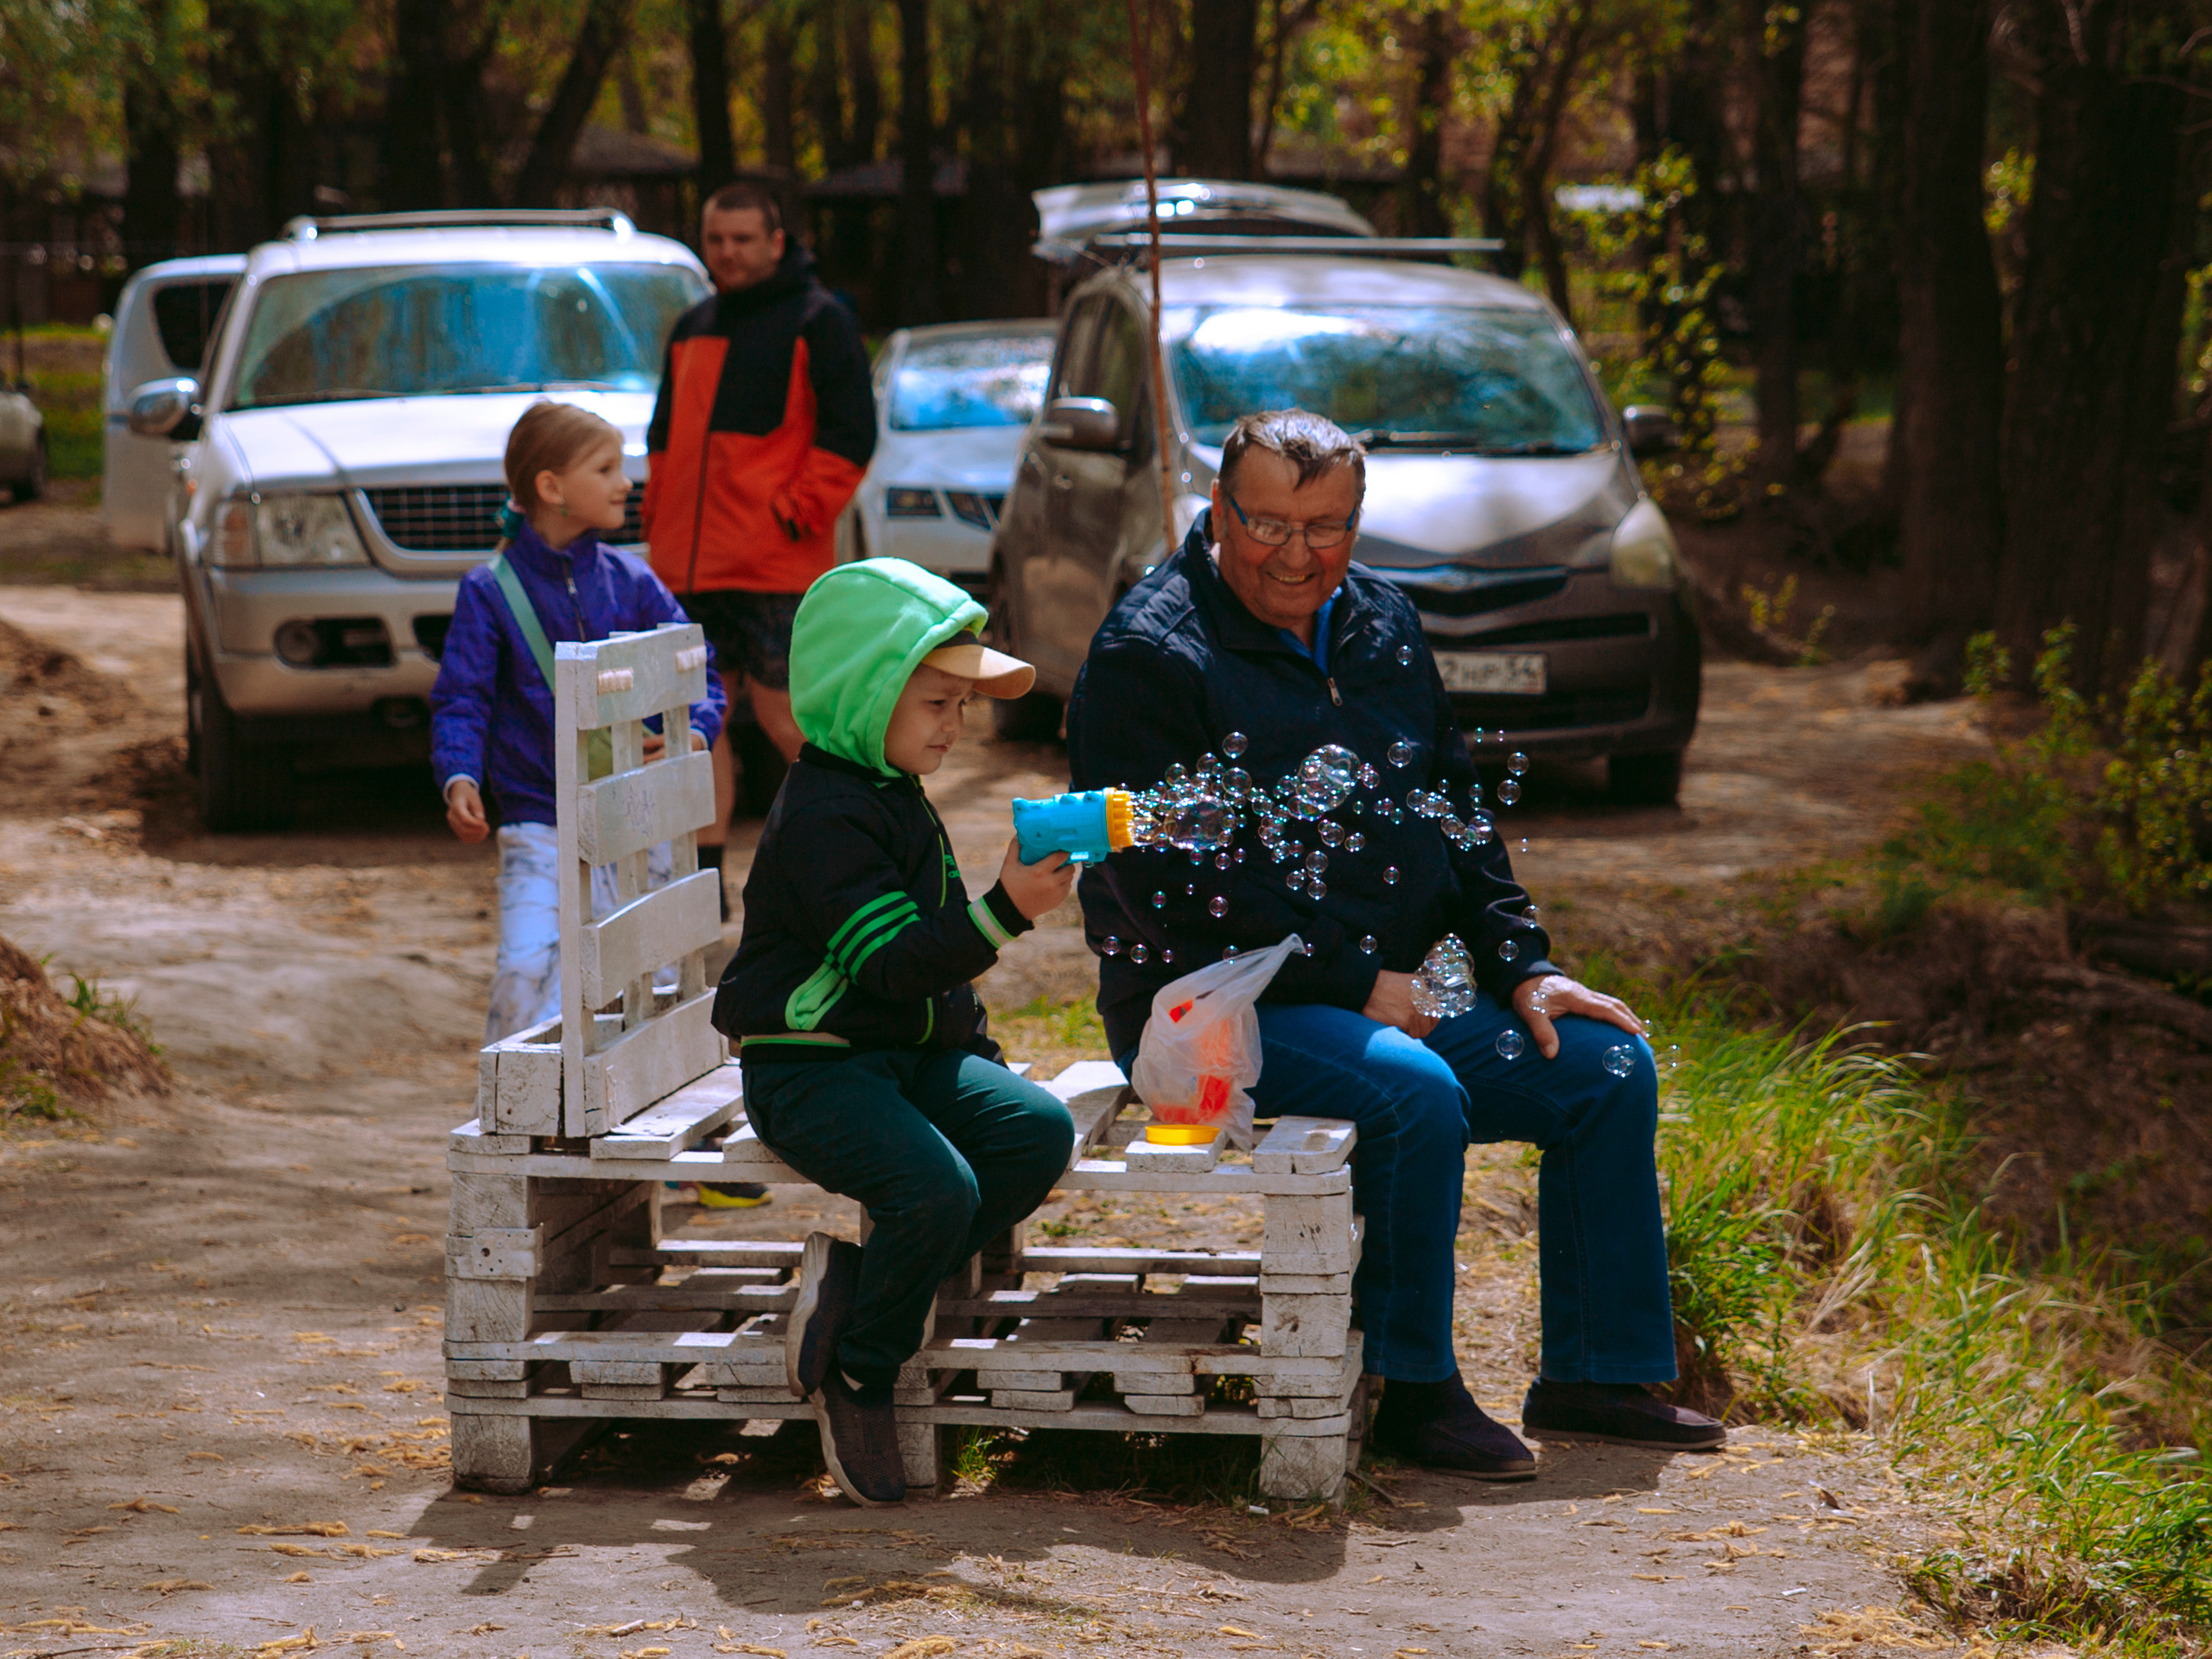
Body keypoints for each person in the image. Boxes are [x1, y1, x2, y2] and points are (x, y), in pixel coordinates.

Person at [1065, 409, 1724, 1480]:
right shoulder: (1148, 650)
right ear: (1219, 509)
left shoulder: (1381, 622)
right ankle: (1410, 1385)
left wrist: (1528, 966)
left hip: (1381, 990)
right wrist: (1349, 978)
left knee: (1605, 1067)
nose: (1295, 553)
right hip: (1203, 1005)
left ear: (1358, 522)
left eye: (1324, 526)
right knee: (1412, 1091)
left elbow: (1456, 813)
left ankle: (1597, 1373)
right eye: (1266, 523)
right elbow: (1165, 884)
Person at [712, 557, 1078, 1506]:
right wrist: (1007, 910)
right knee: (935, 1188)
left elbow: (935, 981)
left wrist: (978, 1059)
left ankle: (858, 1282)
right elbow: (892, 963)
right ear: (859, 694)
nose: (953, 729)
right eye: (933, 704)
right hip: (811, 1071)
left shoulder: (893, 791)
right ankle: (862, 1370)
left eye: (960, 706)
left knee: (1035, 1131)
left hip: (901, 1056)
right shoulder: (826, 817)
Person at [431, 401, 728, 1044]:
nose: (626, 482)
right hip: (541, 823)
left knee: (649, 973)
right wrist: (459, 774)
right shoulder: (490, 591)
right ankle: (518, 1113)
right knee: (524, 971)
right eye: (606, 468)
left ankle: (619, 1113)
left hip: (634, 824)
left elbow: (698, 669)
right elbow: (463, 697)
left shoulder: (633, 579)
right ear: (551, 488)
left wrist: (697, 730)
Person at [643, 181, 877, 904]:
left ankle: (863, 849)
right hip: (688, 566)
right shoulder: (691, 326)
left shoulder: (820, 320)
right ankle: (704, 888)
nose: (730, 253)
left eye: (744, 239)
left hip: (777, 564)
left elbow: (849, 437)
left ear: (778, 243)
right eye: (717, 239)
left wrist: (792, 515)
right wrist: (661, 523)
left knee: (785, 717)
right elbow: (663, 442)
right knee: (694, 726)